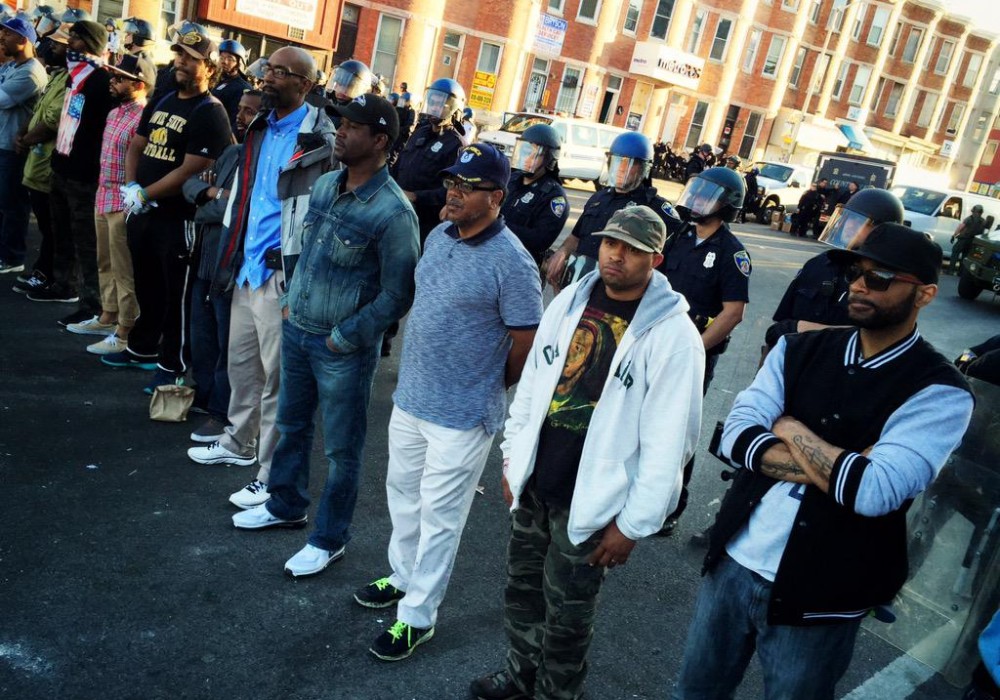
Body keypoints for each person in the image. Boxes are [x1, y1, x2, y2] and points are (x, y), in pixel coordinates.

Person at [672, 223, 974, 700]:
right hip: (733, 561)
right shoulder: (798, 348)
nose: (857, 284)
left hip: (825, 593)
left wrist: (788, 426)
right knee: (694, 693)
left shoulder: (940, 391)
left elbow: (873, 493)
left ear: (926, 294)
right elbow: (733, 437)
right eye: (856, 272)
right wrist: (848, 465)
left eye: (880, 278)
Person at [469, 205, 705, 700]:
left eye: (632, 249)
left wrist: (634, 524)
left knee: (569, 615)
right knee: (523, 594)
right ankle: (519, 676)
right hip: (537, 484)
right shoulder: (571, 301)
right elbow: (532, 386)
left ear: (656, 259)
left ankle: (557, 694)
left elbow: (670, 444)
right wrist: (513, 462)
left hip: (595, 502)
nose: (615, 255)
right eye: (610, 243)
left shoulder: (674, 337)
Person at [353, 142, 543, 662]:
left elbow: (524, 343)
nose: (454, 192)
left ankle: (418, 616)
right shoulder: (438, 234)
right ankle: (403, 576)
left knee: (441, 517)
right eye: (453, 182)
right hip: (412, 397)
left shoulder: (514, 264)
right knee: (402, 495)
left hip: (463, 414)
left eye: (468, 186)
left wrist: (486, 385)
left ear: (497, 197)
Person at [231, 95, 420, 583]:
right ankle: (285, 505)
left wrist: (345, 336)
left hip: (342, 350)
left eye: (353, 127)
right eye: (341, 123)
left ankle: (328, 538)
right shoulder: (327, 184)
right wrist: (291, 301)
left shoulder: (393, 213)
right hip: (298, 330)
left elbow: (398, 294)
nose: (340, 132)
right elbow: (304, 246)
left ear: (379, 142)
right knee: (291, 428)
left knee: (341, 451)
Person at [190, 48, 338, 515]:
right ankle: (237, 441)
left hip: (282, 273)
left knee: (280, 381)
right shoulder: (259, 126)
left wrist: (304, 278)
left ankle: (270, 475)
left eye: (279, 72)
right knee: (242, 367)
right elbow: (246, 196)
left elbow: (327, 213)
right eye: (267, 69)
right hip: (247, 265)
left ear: (305, 84)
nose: (267, 78)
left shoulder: (322, 138)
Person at [99, 23, 232, 389]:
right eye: (178, 55)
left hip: (178, 220)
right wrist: (130, 185)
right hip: (145, 213)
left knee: (178, 298)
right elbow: (137, 144)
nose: (180, 63)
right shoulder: (163, 100)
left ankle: (173, 366)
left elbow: (193, 168)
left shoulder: (211, 111)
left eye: (191, 58)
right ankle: (142, 349)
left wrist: (146, 193)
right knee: (147, 285)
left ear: (209, 67)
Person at [656, 166, 749, 536]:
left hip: (693, 354)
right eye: (696, 192)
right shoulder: (677, 236)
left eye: (707, 196)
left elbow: (733, 312)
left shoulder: (732, 253)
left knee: (677, 429)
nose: (696, 201)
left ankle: (671, 507)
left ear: (726, 206)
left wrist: (694, 347)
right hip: (655, 344)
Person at [181, 89, 261, 438]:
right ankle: (202, 394)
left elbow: (241, 213)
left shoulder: (264, 161)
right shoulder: (231, 152)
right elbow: (190, 184)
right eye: (239, 110)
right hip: (204, 262)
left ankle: (223, 411)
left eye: (249, 112)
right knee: (202, 337)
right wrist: (213, 194)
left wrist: (211, 203)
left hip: (231, 267)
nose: (240, 117)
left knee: (231, 346)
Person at [29, 20, 113, 330]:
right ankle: (62, 285)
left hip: (84, 176)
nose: (66, 45)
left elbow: (99, 133)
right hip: (61, 167)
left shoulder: (101, 81)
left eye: (75, 39)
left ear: (90, 43)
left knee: (85, 243)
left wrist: (88, 169)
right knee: (60, 231)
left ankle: (90, 304)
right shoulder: (73, 78)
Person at [766, 188, 905, 350]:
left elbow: (881, 340)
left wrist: (803, 329)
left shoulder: (885, 281)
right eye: (848, 218)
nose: (849, 225)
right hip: (794, 364)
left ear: (883, 232)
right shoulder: (819, 264)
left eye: (860, 221)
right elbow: (778, 329)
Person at [545, 131, 683, 292]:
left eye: (629, 164)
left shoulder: (656, 208)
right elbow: (575, 237)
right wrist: (562, 252)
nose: (621, 169)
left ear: (645, 169)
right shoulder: (599, 198)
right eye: (617, 162)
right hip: (579, 282)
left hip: (617, 291)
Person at [83, 54, 155, 356]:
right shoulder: (115, 113)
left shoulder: (142, 116)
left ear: (139, 84)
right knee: (105, 262)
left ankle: (125, 330)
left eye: (119, 78)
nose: (112, 82)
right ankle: (108, 314)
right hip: (103, 194)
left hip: (123, 200)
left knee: (124, 270)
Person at [11, 27, 68, 296]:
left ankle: (48, 274)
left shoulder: (69, 79)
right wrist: (22, 133)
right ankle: (42, 270)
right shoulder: (57, 77)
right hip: (37, 159)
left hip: (47, 159)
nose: (51, 48)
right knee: (47, 223)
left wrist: (27, 139)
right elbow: (38, 111)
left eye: (58, 45)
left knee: (51, 225)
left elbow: (52, 120)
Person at [391, 77, 466, 243]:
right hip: (396, 210)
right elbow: (398, 166)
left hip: (424, 222)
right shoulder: (420, 132)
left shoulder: (456, 144)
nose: (435, 108)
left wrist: (416, 196)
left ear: (453, 108)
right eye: (433, 102)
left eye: (441, 104)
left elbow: (451, 191)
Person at [0, 16, 47, 275]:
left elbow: (2, 99)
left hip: (12, 148)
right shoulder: (11, 67)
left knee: (12, 204)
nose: (1, 38)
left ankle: (12, 256)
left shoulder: (31, 72)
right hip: (3, 143)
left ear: (23, 39)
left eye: (7, 34)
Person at [500, 123, 569, 266]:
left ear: (549, 160)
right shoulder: (511, 179)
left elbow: (540, 240)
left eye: (535, 155)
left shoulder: (554, 197)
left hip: (520, 266)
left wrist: (498, 225)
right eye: (525, 152)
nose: (527, 159)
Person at [212, 39, 251, 132]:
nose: (224, 61)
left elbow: (237, 124)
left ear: (239, 63)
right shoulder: (214, 81)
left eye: (230, 58)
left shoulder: (242, 88)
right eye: (221, 57)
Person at [951, 203, 987, 274]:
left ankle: (951, 270)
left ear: (973, 211)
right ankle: (960, 272)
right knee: (965, 257)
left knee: (955, 253)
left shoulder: (969, 219)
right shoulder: (983, 221)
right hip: (972, 242)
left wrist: (954, 235)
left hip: (963, 240)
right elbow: (983, 233)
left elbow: (960, 227)